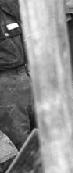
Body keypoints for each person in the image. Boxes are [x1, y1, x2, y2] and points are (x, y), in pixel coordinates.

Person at [0, 0, 33, 149]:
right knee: (19, 137)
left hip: (24, 74)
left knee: (40, 131)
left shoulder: (9, 9)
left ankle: (46, 169)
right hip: (5, 81)